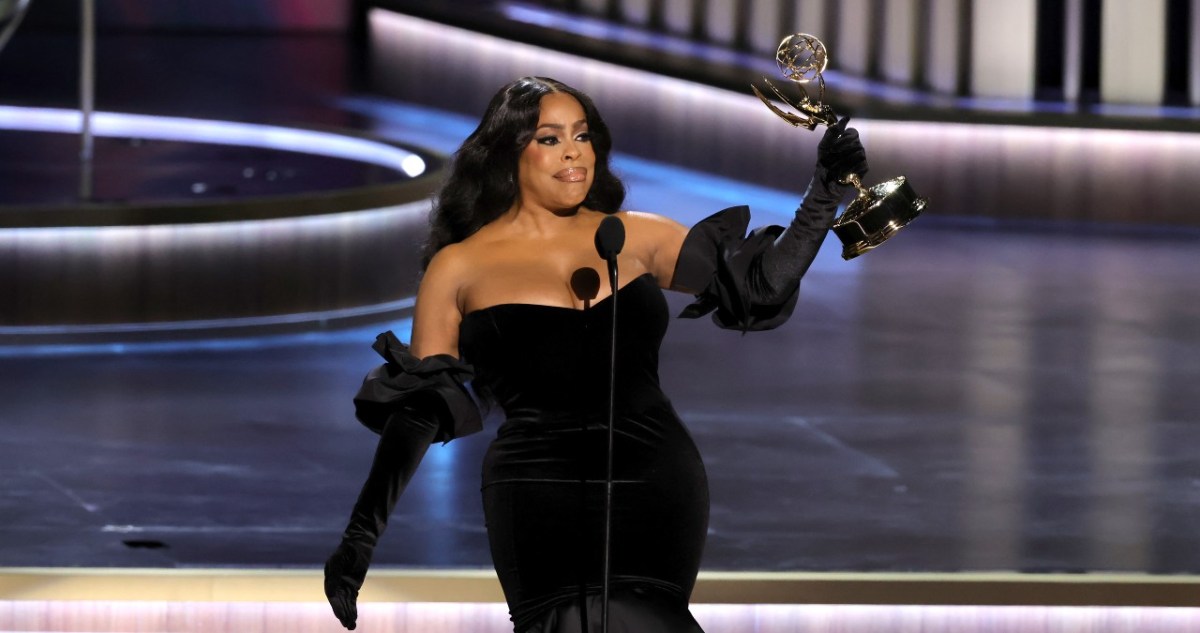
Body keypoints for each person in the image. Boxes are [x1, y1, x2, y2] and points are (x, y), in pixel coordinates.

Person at [323, 76, 868, 632]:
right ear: (508, 152)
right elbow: (420, 410)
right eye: (550, 138)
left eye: (582, 136)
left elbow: (757, 289)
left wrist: (823, 193)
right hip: (537, 490)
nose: (574, 154)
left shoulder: (632, 237)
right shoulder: (458, 268)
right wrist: (358, 539)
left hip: (655, 477)